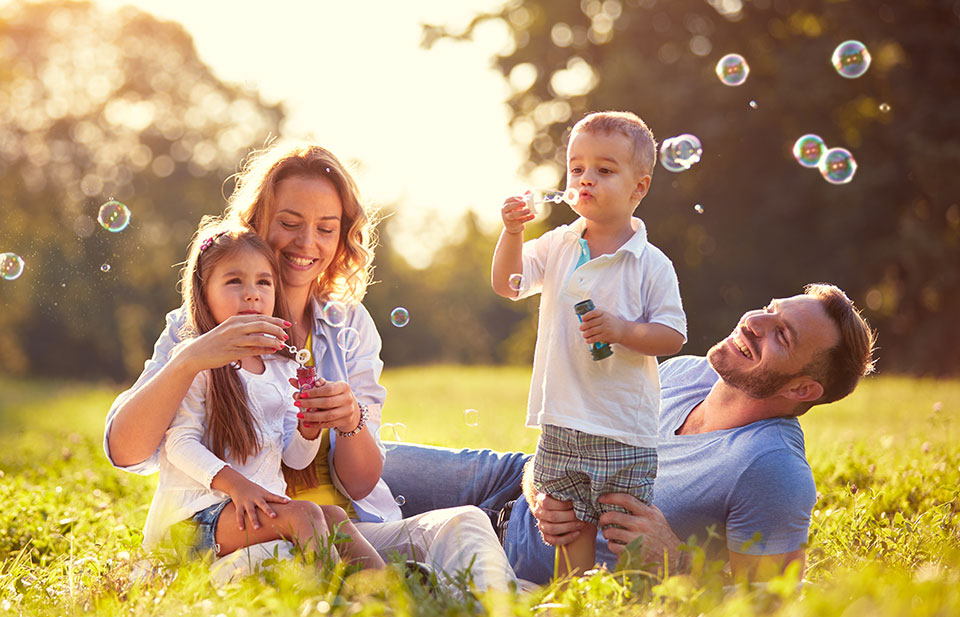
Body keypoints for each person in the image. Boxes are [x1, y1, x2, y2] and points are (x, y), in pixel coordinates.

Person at [104, 142, 516, 591]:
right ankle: (388, 600)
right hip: (244, 535)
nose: (307, 243)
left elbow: (357, 484)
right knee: (309, 575)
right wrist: (189, 359)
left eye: (326, 228)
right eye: (289, 223)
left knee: (465, 524)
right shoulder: (201, 325)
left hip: (346, 529)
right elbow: (126, 451)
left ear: (343, 236)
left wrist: (347, 420)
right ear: (257, 222)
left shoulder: (349, 324)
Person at [382, 283, 876, 585]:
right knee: (351, 460)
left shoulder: (772, 468)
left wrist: (677, 561)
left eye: (782, 334)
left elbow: (769, 611)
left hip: (520, 556)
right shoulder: (685, 373)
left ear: (803, 387)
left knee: (344, 542)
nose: (754, 322)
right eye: (770, 309)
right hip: (510, 480)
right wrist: (538, 479)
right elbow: (576, 434)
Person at [491, 111, 687, 575]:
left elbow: (673, 335)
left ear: (639, 188)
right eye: (576, 168)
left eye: (604, 170)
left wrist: (622, 331)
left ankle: (635, 597)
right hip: (562, 416)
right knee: (567, 521)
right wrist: (513, 232)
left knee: (624, 525)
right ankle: (576, 597)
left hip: (623, 424)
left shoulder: (650, 264)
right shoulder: (559, 244)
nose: (585, 179)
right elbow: (508, 283)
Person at [152, 228, 384, 569]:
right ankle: (335, 601)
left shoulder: (280, 368)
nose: (251, 295)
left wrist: (309, 427)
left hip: (252, 511)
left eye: (264, 283)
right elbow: (178, 444)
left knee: (333, 516)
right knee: (305, 514)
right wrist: (238, 486)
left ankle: (390, 592)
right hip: (194, 520)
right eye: (234, 282)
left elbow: (296, 458)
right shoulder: (196, 360)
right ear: (203, 293)